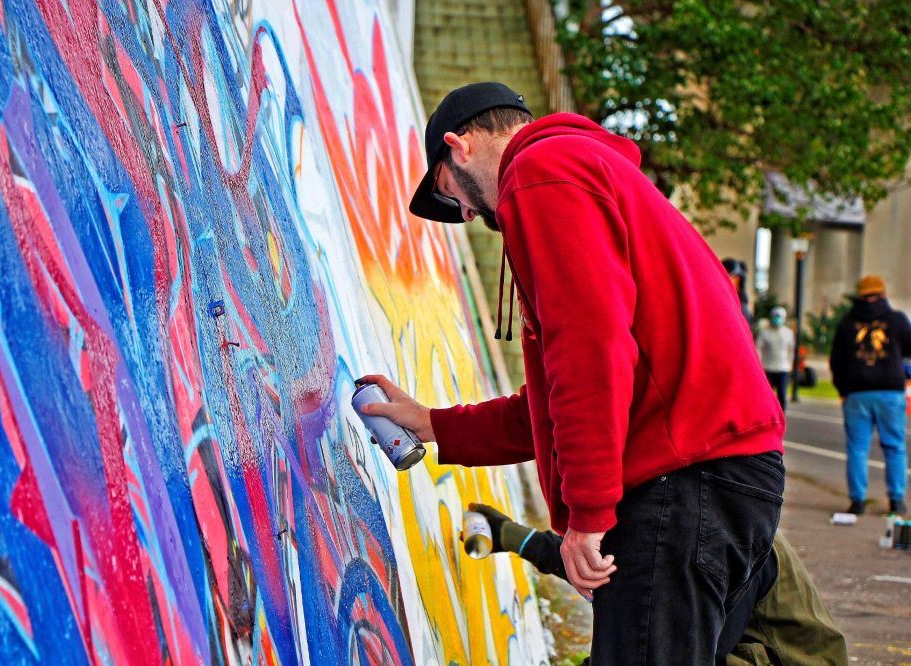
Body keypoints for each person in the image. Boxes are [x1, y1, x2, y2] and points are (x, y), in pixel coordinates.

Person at [360, 82, 786, 664]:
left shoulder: (540, 172)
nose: (464, 212)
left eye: (448, 192)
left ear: (459, 147)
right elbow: (556, 399)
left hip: (682, 481)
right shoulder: (585, 172)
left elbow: (590, 352)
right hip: (721, 475)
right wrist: (433, 423)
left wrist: (588, 516)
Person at [467, 503, 848, 666]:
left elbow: (681, 646)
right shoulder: (682, 514)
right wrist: (515, 538)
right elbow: (617, 571)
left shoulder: (714, 534)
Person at [829, 274, 911, 516]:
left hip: (856, 394)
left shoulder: (846, 323)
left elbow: (836, 361)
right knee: (894, 446)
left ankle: (858, 501)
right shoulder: (896, 320)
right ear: (883, 293)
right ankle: (896, 501)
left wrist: (843, 391)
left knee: (857, 448)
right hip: (890, 392)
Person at [756, 306, 795, 411]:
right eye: (775, 316)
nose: (777, 319)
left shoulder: (789, 333)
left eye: (779, 316)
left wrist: (790, 364)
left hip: (783, 368)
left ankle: (781, 415)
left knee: (782, 394)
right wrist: (759, 364)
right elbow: (758, 348)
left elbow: (791, 350)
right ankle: (766, 414)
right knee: (766, 395)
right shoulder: (765, 333)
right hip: (768, 368)